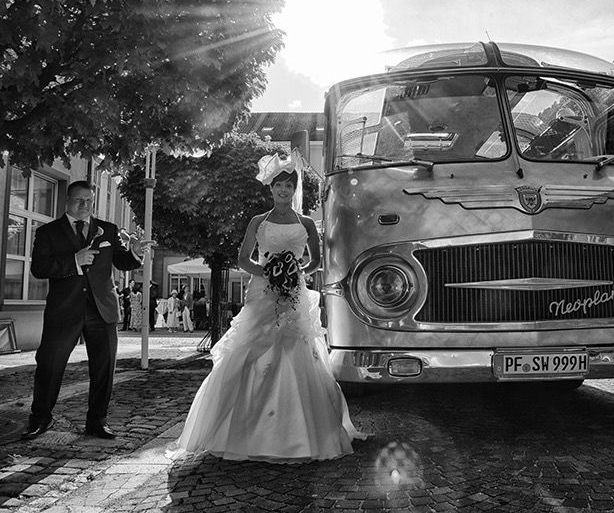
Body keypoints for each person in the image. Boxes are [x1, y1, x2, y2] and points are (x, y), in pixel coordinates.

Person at [171, 152, 365, 462]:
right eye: (278, 186)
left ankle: (299, 433)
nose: (283, 190)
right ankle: (242, 432)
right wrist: (270, 271)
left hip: (294, 293)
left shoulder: (306, 223)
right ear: (271, 189)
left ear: (294, 190)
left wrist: (294, 271)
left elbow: (316, 261)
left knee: (297, 349)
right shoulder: (257, 221)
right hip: (262, 292)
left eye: (288, 186)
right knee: (252, 349)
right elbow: (243, 259)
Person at [22, 180, 151, 440]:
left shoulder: (108, 230)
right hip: (64, 311)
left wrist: (136, 254)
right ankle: (40, 419)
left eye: (89, 201)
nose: (85, 205)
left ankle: (97, 422)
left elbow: (122, 262)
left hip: (102, 311)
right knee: (49, 366)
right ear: (67, 201)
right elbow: (39, 268)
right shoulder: (48, 232)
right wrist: (74, 261)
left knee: (104, 369)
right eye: (79, 200)